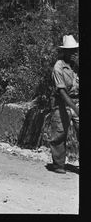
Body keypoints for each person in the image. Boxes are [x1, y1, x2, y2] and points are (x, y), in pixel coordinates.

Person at [48, 34, 79, 174]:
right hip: (62, 102)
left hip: (77, 100)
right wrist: (75, 108)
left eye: (75, 50)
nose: (74, 53)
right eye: (71, 51)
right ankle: (59, 164)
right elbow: (61, 91)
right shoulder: (58, 67)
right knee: (59, 134)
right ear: (64, 52)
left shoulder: (76, 66)